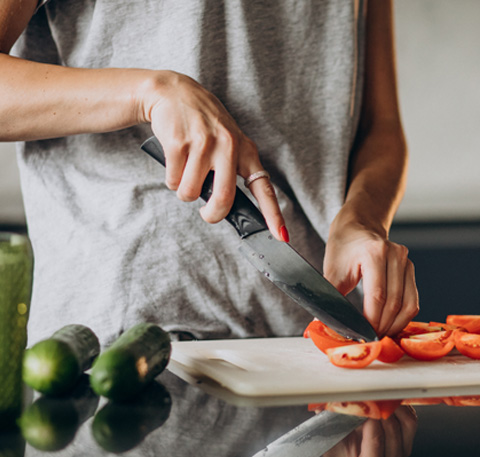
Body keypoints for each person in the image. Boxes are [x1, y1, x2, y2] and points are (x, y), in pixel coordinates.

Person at [0, 0, 419, 347]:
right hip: (125, 341)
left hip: (312, 340)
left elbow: (379, 127)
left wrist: (361, 221)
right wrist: (149, 93)